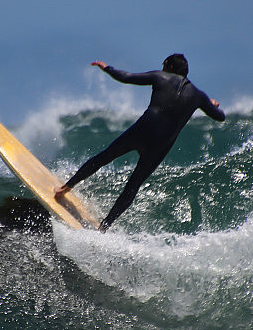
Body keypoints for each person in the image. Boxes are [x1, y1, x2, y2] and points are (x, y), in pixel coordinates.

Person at [55, 54, 226, 231]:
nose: (162, 68)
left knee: (105, 157)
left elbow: (126, 77)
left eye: (164, 65)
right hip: (161, 144)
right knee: (134, 184)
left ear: (171, 67)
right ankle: (104, 226)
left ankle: (65, 187)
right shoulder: (198, 96)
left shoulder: (160, 77)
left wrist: (107, 68)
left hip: (143, 129)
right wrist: (212, 105)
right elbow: (219, 117)